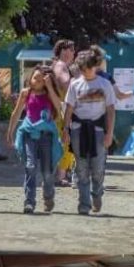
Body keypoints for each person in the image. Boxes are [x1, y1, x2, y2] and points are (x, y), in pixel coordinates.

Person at [62, 50, 116, 216]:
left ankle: (97, 193)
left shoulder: (105, 84)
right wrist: (65, 130)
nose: (86, 72)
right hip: (79, 130)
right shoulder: (75, 84)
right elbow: (69, 108)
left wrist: (109, 133)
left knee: (98, 167)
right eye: (83, 69)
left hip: (98, 131)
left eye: (88, 68)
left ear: (95, 66)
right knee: (81, 168)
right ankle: (84, 204)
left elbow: (111, 109)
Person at [7, 65, 65, 214]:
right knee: (30, 166)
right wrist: (10, 132)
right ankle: (29, 201)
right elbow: (16, 113)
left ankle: (48, 196)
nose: (37, 81)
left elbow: (59, 107)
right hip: (29, 135)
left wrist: (50, 87)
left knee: (47, 171)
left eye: (41, 79)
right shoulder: (26, 93)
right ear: (30, 79)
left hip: (46, 136)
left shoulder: (49, 94)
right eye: (35, 78)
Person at [51, 39, 78, 187]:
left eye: (72, 50)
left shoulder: (66, 67)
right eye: (65, 49)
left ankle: (61, 175)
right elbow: (65, 83)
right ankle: (59, 176)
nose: (69, 53)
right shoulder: (60, 65)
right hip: (59, 111)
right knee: (66, 142)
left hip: (62, 109)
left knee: (66, 143)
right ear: (58, 51)